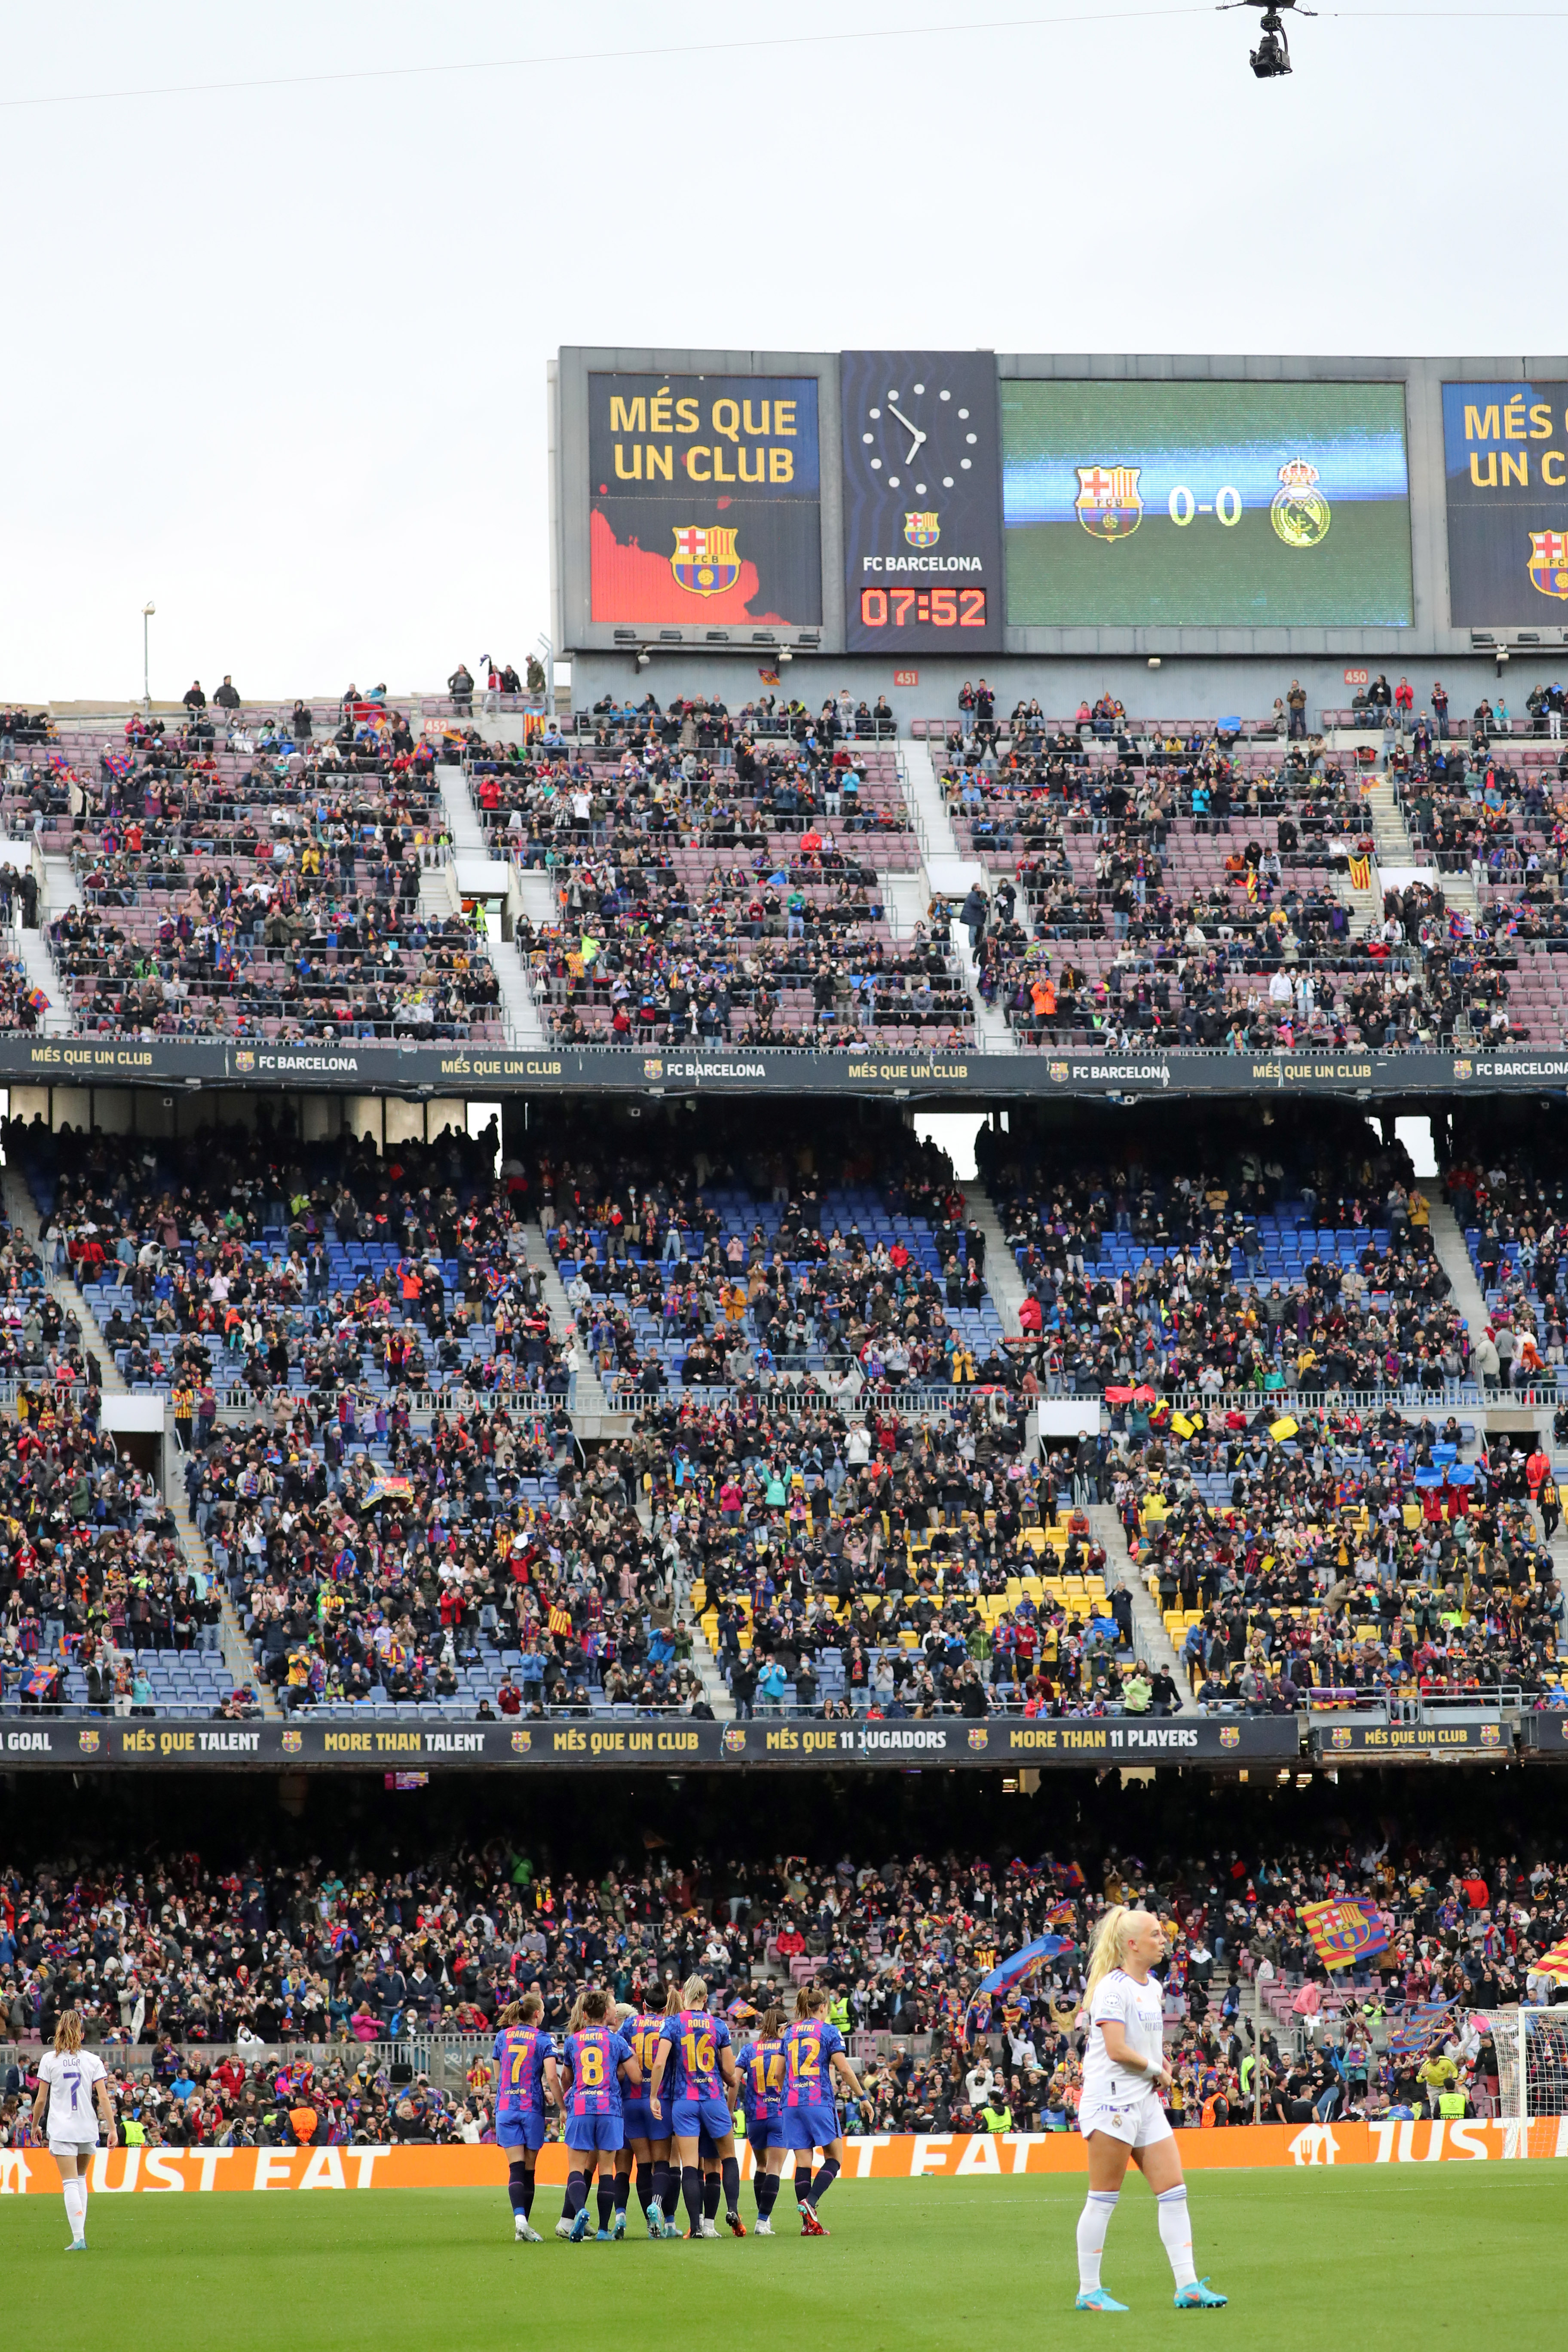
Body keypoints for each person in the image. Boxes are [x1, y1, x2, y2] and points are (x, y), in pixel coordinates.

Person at [1072, 1906, 1227, 2311]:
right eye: (1157, 1934)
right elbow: (1117, 2049)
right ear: (1132, 1944)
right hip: (1111, 2100)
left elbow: (1144, 2046)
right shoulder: (1113, 1987)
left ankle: (1188, 2286)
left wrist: (1164, 2064)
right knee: (1103, 2197)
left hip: (1144, 2099)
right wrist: (1158, 2069)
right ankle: (1089, 2291)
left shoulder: (1153, 1987)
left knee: (1174, 2192)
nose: (1165, 1940)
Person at [649, 1972, 745, 2239]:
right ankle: (733, 2209)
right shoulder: (719, 2025)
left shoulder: (673, 2023)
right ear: (705, 1998)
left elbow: (659, 2063)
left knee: (690, 2165)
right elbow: (729, 2071)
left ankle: (696, 2227)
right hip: (713, 2098)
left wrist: (654, 2096)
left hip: (684, 2101)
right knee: (727, 2158)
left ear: (683, 1996)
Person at [779, 1982, 864, 2237]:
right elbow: (845, 2069)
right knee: (835, 2158)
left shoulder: (790, 2033)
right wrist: (863, 2096)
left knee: (804, 2162)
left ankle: (808, 2225)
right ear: (823, 2007)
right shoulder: (828, 2031)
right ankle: (811, 2202)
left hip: (791, 2103)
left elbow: (777, 2073)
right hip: (818, 2100)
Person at [558, 1986, 639, 2242]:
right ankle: (604, 2230)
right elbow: (636, 2077)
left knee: (576, 2167)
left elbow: (566, 2078)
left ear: (584, 2013)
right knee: (606, 2170)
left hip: (581, 2108)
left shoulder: (573, 2041)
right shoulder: (617, 2041)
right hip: (609, 2109)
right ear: (606, 2013)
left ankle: (580, 2212)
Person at [32, 2008, 116, 2252]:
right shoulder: (92, 2060)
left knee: (69, 2183)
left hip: (61, 2127)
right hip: (86, 2127)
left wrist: (36, 2125)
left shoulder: (50, 2060)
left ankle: (79, 2238)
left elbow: (40, 2100)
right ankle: (81, 2236)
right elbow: (103, 2097)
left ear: (59, 2033)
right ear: (80, 2034)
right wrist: (111, 2129)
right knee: (81, 2179)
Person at [492, 1991, 559, 2243]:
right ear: (538, 2014)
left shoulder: (502, 2036)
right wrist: (561, 2105)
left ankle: (521, 2224)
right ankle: (523, 2224)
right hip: (530, 2107)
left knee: (515, 2168)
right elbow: (552, 2077)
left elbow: (499, 2077)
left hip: (506, 2107)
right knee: (529, 2171)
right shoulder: (543, 2039)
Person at [614, 1994, 678, 2239]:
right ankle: (657, 2205)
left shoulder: (629, 2025)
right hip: (659, 2098)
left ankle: (651, 2227)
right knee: (662, 2161)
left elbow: (616, 2054)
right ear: (665, 2008)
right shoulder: (669, 2025)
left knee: (642, 2163)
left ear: (643, 2007)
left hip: (631, 2099)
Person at [741, 2002, 789, 2235]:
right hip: (779, 2113)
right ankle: (762, 2220)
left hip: (754, 2115)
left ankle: (763, 2220)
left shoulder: (749, 2050)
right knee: (775, 2169)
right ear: (781, 2029)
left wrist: (731, 2108)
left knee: (761, 2165)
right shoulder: (787, 2049)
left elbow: (734, 2079)